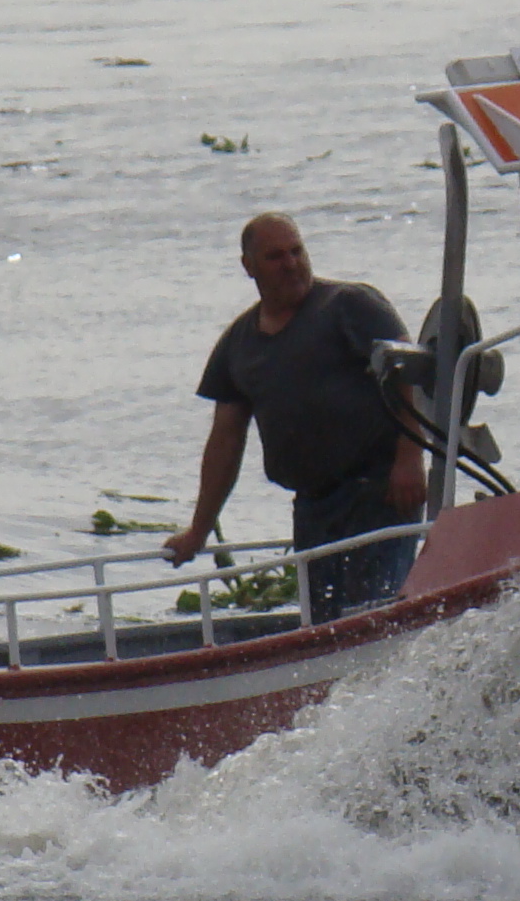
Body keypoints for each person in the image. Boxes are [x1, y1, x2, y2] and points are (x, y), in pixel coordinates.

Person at [162, 212, 424, 622]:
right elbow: (225, 440)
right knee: (323, 628)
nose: (291, 264)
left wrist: (410, 459)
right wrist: (199, 530)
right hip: (313, 508)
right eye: (275, 256)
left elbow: (411, 375)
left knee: (373, 619)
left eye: (297, 250)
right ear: (248, 266)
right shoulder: (238, 344)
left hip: (379, 494)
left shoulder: (350, 305)